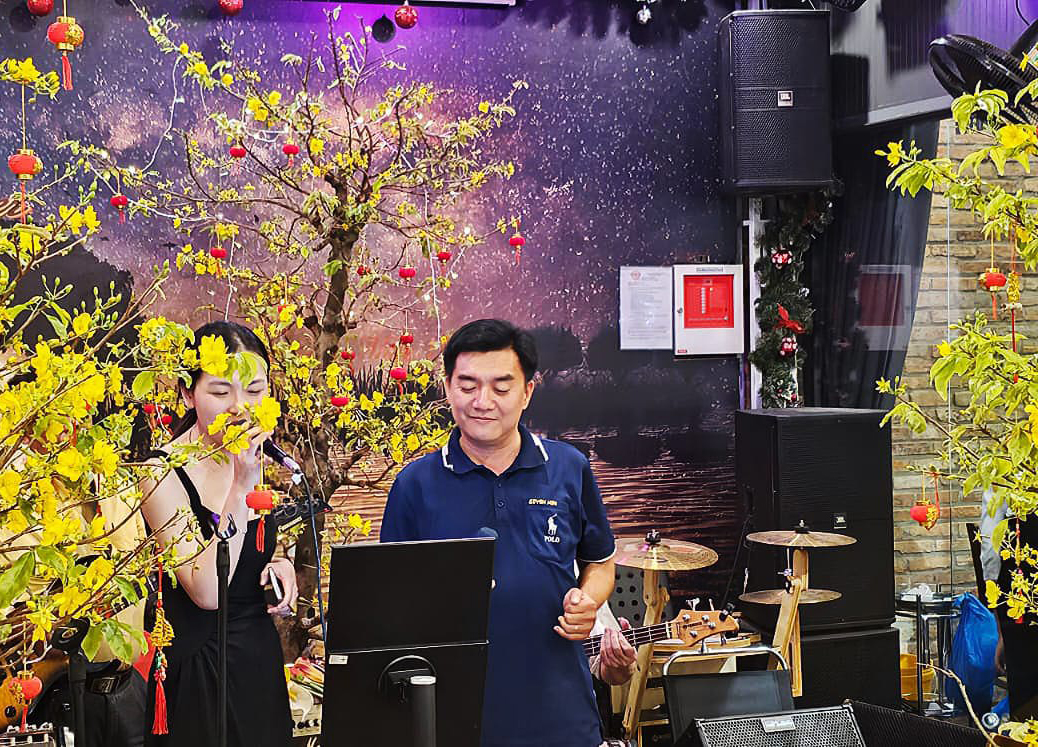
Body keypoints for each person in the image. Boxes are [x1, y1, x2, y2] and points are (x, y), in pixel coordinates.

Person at [381, 319, 617, 747]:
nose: (482, 402)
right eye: (467, 385)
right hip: (453, 717)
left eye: (501, 387)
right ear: (448, 388)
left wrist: (589, 601)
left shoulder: (569, 468)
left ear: (527, 391)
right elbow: (392, 603)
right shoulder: (414, 485)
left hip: (560, 713)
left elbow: (599, 564)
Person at [139, 321, 296, 746]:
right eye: (221, 392)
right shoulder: (160, 472)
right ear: (187, 394)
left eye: (255, 390)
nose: (240, 407)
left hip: (256, 660)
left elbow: (252, 547)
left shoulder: (251, 455)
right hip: (201, 666)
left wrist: (279, 563)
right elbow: (207, 590)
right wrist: (241, 484)